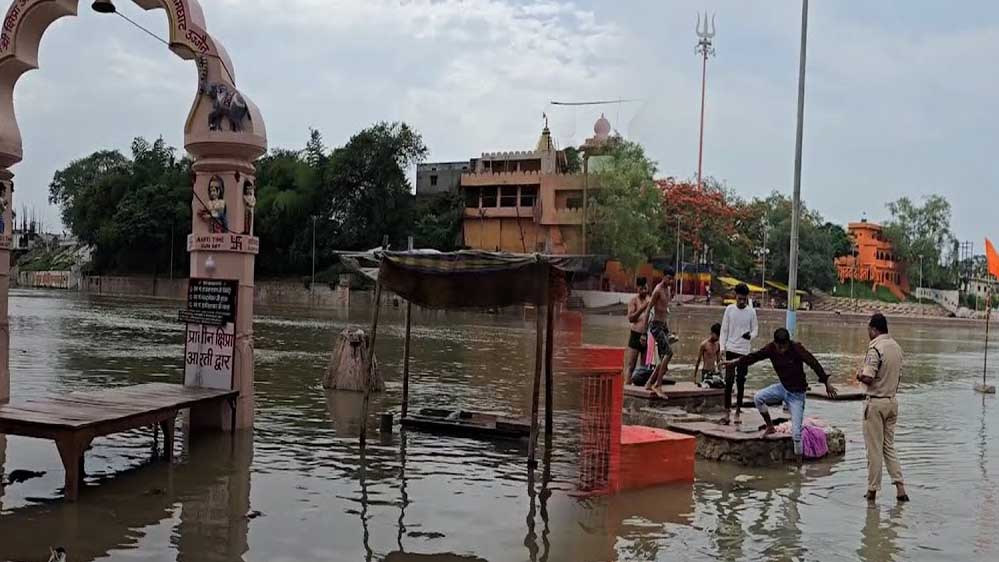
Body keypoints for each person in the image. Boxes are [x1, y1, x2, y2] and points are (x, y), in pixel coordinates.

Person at [721, 328, 837, 461]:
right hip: (782, 388)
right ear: (775, 344)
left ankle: (798, 466)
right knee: (758, 398)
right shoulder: (770, 348)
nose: (782, 350)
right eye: (779, 347)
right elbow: (754, 357)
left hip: (797, 395)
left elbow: (813, 363)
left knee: (797, 435)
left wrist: (825, 381)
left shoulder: (796, 348)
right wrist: (734, 362)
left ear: (788, 343)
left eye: (784, 347)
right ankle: (770, 427)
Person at [857, 313, 909, 503]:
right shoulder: (897, 348)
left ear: (873, 329)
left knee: (874, 449)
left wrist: (858, 375)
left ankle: (872, 491)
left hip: (876, 403)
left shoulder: (875, 349)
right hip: (892, 403)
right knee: (889, 447)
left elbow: (869, 377)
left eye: (868, 330)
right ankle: (900, 488)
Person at [718, 283, 758, 424]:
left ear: (747, 298)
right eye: (739, 299)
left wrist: (750, 336)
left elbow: (755, 330)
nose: (741, 302)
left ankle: (738, 412)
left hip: (744, 352)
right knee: (729, 381)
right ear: (735, 296)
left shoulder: (751, 312)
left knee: (741, 381)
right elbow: (724, 330)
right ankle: (727, 412)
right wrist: (722, 348)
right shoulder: (729, 309)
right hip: (730, 349)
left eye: (744, 299)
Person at [644, 268, 678, 396]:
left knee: (664, 358)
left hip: (663, 326)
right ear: (663, 277)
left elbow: (665, 310)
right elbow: (648, 310)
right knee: (668, 353)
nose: (670, 281)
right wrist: (643, 332)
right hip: (655, 326)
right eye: (668, 278)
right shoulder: (657, 290)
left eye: (672, 278)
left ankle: (649, 383)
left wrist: (668, 330)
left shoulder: (668, 289)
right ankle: (657, 385)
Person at [623, 278, 652, 381]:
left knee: (644, 368)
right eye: (641, 288)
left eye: (645, 288)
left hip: (647, 336)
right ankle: (627, 385)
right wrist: (643, 308)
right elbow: (631, 318)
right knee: (631, 365)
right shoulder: (634, 301)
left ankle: (641, 388)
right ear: (638, 289)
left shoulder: (650, 300)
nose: (644, 290)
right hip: (635, 334)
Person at [694, 323, 722, 387]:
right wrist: (694, 377)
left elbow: (718, 361)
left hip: (714, 372)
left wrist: (720, 374)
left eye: (719, 335)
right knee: (705, 389)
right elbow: (698, 361)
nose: (718, 337)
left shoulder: (718, 345)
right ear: (712, 333)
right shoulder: (704, 344)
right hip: (705, 371)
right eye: (717, 335)